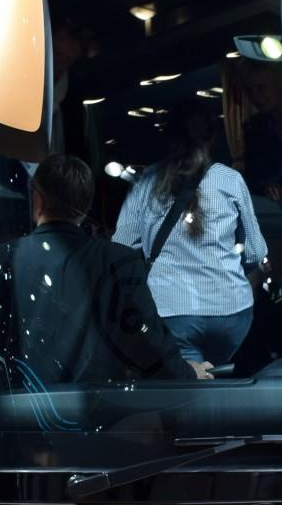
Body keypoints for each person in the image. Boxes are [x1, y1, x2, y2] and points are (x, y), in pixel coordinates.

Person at [0, 154, 197, 386]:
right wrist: (189, 375)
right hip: (98, 404)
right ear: (86, 205)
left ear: (37, 199)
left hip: (16, 402)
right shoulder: (118, 261)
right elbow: (146, 341)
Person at [112, 112, 269, 369]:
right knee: (217, 376)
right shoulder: (229, 179)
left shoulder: (147, 182)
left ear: (168, 138)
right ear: (212, 139)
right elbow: (256, 252)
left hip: (172, 311)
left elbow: (120, 248)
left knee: (190, 384)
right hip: (232, 311)